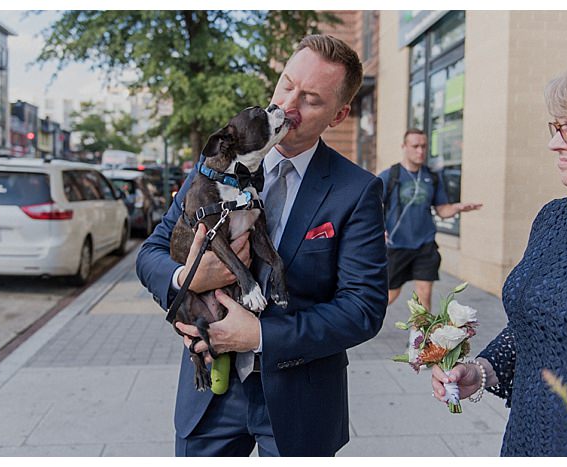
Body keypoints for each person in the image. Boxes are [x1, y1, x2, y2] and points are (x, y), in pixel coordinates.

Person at [136, 34, 388, 457]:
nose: (288, 107)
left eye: (310, 99)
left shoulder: (357, 191)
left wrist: (259, 335)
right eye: (286, 85)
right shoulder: (213, 166)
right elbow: (150, 255)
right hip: (209, 398)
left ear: (339, 114)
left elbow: (363, 309)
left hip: (298, 402)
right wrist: (187, 277)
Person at [431, 45, 567, 456]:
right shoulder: (553, 218)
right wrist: (483, 370)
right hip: (525, 441)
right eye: (554, 127)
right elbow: (538, 325)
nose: (555, 144)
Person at [378, 129, 482, 310]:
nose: (420, 151)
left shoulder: (432, 177)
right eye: (415, 146)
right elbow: (371, 207)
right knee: (389, 294)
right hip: (396, 245)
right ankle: (359, 330)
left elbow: (442, 210)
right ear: (404, 147)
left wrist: (458, 208)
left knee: (424, 294)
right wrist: (379, 229)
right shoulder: (390, 176)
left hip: (424, 245)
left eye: (424, 146)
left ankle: (419, 338)